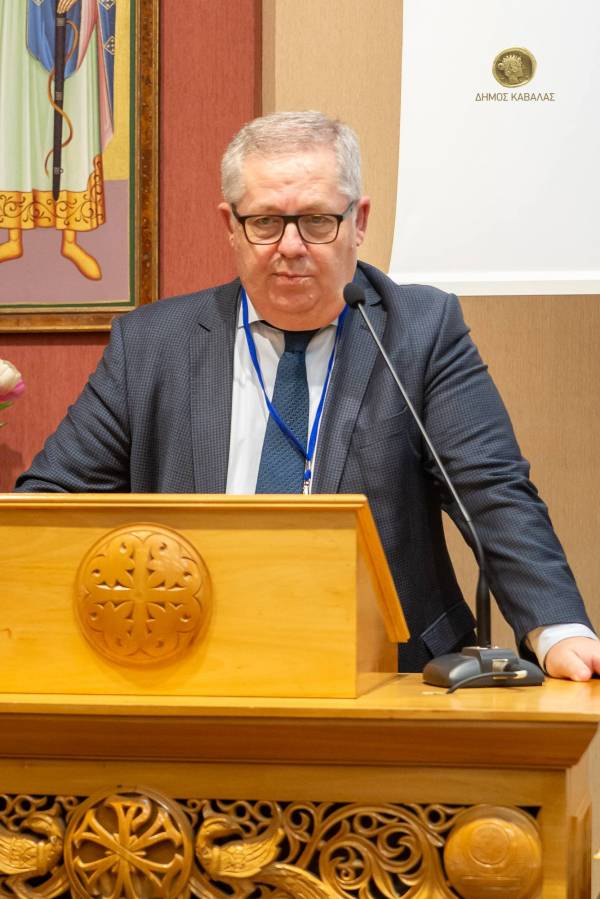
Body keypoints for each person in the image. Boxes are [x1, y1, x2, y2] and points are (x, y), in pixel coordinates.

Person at [15, 111, 599, 680]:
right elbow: (49, 503)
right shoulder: (152, 345)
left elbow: (491, 492)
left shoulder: (418, 332)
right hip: (188, 664)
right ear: (229, 224)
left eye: (318, 221)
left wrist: (558, 629)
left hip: (384, 673)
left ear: (358, 220)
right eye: (265, 222)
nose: (291, 246)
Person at [0, 0, 115, 280]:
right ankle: (14, 234)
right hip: (16, 13)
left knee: (72, 107)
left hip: (75, 16)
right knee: (16, 110)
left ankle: (70, 238)